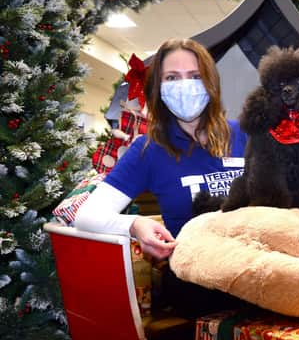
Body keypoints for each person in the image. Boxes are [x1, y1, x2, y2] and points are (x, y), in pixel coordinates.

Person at [75, 38, 248, 316]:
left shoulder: (244, 134)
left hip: (254, 265)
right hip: (196, 282)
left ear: (211, 83)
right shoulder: (148, 149)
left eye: (195, 76)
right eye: (172, 77)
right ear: (158, 88)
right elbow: (87, 216)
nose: (185, 85)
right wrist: (135, 225)